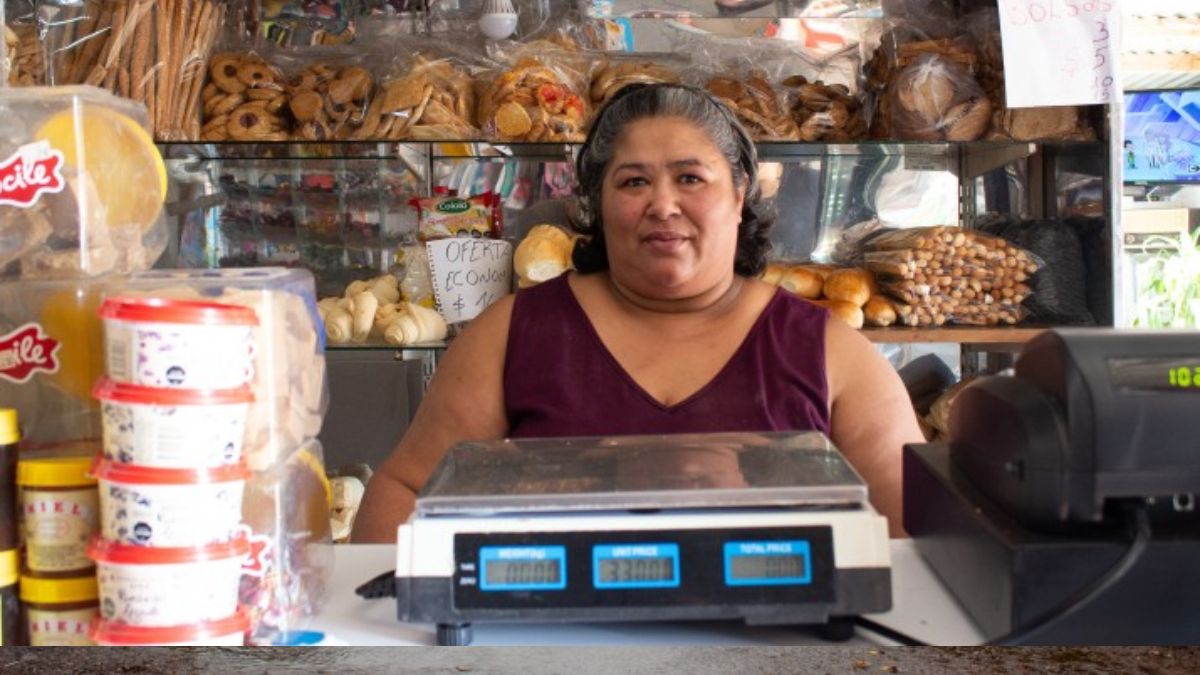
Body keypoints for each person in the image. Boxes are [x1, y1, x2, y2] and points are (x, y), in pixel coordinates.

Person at [352, 83, 924, 542]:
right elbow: (403, 491)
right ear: (597, 203)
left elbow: (919, 533)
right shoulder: (511, 335)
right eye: (633, 182)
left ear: (740, 193)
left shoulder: (829, 351)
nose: (663, 204)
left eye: (691, 177)